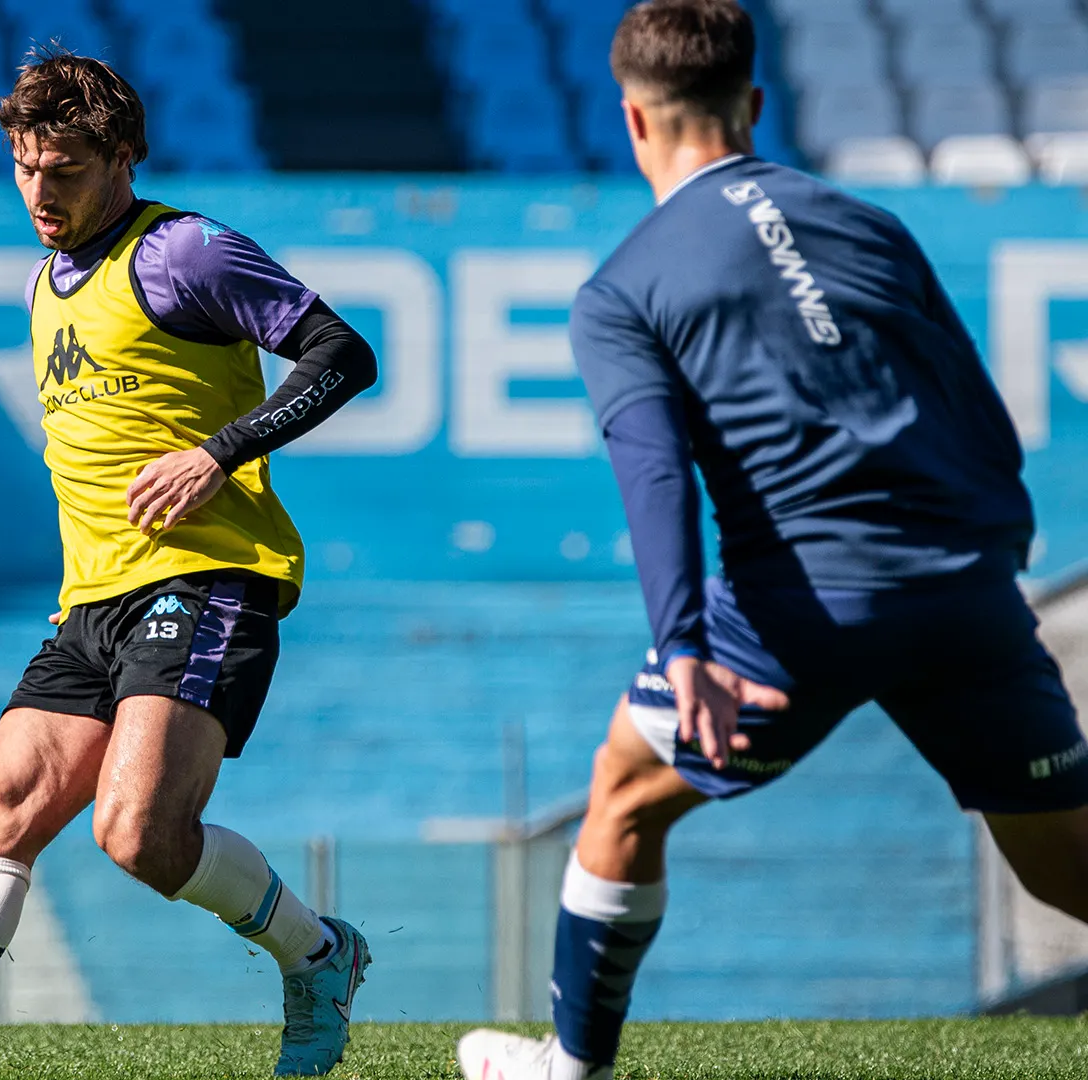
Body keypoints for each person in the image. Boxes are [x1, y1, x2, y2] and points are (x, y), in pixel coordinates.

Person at [455, 2, 1088, 1078]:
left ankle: (570, 1069)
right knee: (1068, 871)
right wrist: (997, 553)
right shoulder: (871, 225)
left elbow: (654, 473)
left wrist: (685, 641)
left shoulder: (624, 286)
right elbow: (973, 403)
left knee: (621, 797)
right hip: (959, 587)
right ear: (753, 104)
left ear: (633, 122)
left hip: (796, 611)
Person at [0, 49, 379, 1078]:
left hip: (204, 578)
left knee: (138, 836)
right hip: (93, 598)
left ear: (124, 158)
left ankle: (320, 955)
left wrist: (218, 451)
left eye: (65, 170)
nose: (40, 193)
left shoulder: (185, 253)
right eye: (24, 169)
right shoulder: (44, 284)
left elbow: (342, 354)